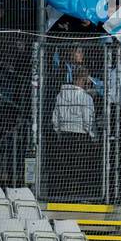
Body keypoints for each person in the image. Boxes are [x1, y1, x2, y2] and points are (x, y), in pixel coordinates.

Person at [50, 65, 97, 200]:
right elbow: (88, 120)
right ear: (83, 80)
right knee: (80, 167)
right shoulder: (85, 97)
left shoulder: (61, 94)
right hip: (80, 136)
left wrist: (59, 131)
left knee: (64, 167)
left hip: (65, 135)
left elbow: (55, 117)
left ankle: (63, 194)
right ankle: (78, 195)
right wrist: (93, 136)